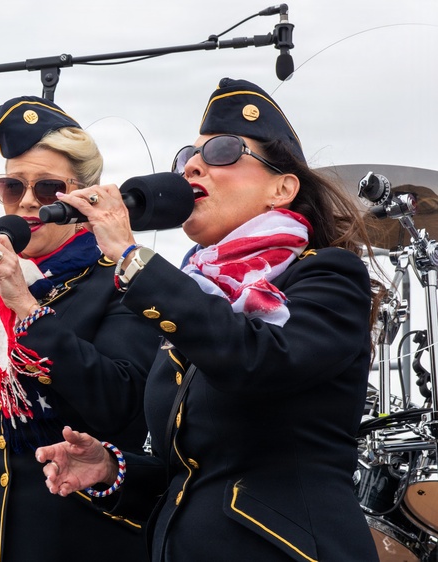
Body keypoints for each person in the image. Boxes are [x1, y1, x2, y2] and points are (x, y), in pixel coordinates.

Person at [36, 77, 384, 561]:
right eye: (186, 157)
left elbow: (261, 363)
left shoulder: (327, 275)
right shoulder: (191, 292)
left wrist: (133, 260)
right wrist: (113, 470)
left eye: (222, 151)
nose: (192, 165)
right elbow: (193, 476)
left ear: (282, 188)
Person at [0, 96, 158, 561]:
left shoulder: (120, 283)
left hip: (79, 539)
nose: (25, 202)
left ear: (82, 197)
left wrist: (24, 306)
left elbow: (120, 403)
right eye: (11, 187)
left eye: (46, 189)